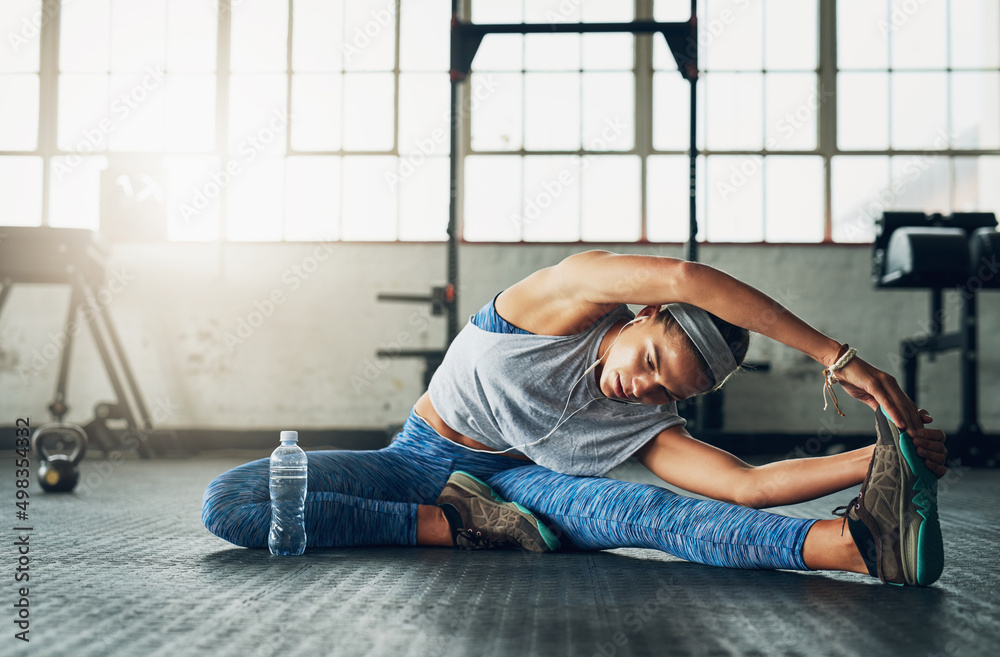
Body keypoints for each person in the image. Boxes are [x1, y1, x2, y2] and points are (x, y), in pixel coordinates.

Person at [202, 251, 948, 585]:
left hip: (522, 492)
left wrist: (883, 457)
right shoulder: (565, 297)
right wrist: (833, 354)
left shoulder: (638, 417)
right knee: (232, 500)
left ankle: (857, 547)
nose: (641, 389)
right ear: (644, 314)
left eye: (666, 393)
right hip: (419, 459)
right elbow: (688, 275)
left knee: (654, 514)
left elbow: (744, 485)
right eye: (650, 361)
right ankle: (454, 527)